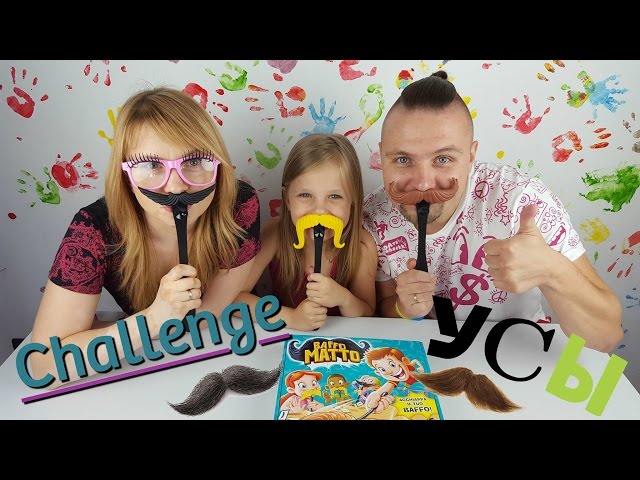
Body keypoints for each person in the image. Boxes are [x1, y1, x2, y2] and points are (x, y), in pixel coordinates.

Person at [363, 71, 623, 352]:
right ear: (382, 156)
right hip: (430, 361)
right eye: (403, 159)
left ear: (471, 156)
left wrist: (552, 271)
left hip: (522, 357)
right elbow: (382, 312)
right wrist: (402, 307)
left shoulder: (522, 201)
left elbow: (605, 338)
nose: (423, 183)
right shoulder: (373, 215)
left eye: (443, 159)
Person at [31, 87, 261, 386]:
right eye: (151, 165)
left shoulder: (238, 205)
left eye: (194, 161)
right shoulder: (94, 232)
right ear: (126, 176)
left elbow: (204, 318)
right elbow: (43, 366)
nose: (176, 187)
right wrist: (153, 318)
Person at [235, 133, 377, 330]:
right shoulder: (275, 234)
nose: (319, 210)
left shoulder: (361, 246)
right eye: (305, 195)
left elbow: (368, 312)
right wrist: (291, 318)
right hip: (288, 338)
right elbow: (235, 299)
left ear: (352, 201)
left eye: (334, 196)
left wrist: (343, 298)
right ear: (287, 199)